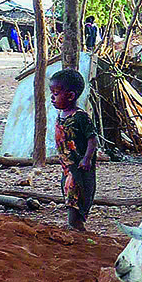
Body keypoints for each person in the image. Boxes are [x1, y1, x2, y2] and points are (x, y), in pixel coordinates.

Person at [51, 67, 98, 230]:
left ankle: (75, 226)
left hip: (78, 166)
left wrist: (86, 159)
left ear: (70, 96)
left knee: (75, 194)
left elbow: (92, 139)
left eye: (56, 93)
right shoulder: (62, 115)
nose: (52, 97)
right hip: (67, 166)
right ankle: (75, 225)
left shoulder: (80, 116)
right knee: (68, 190)